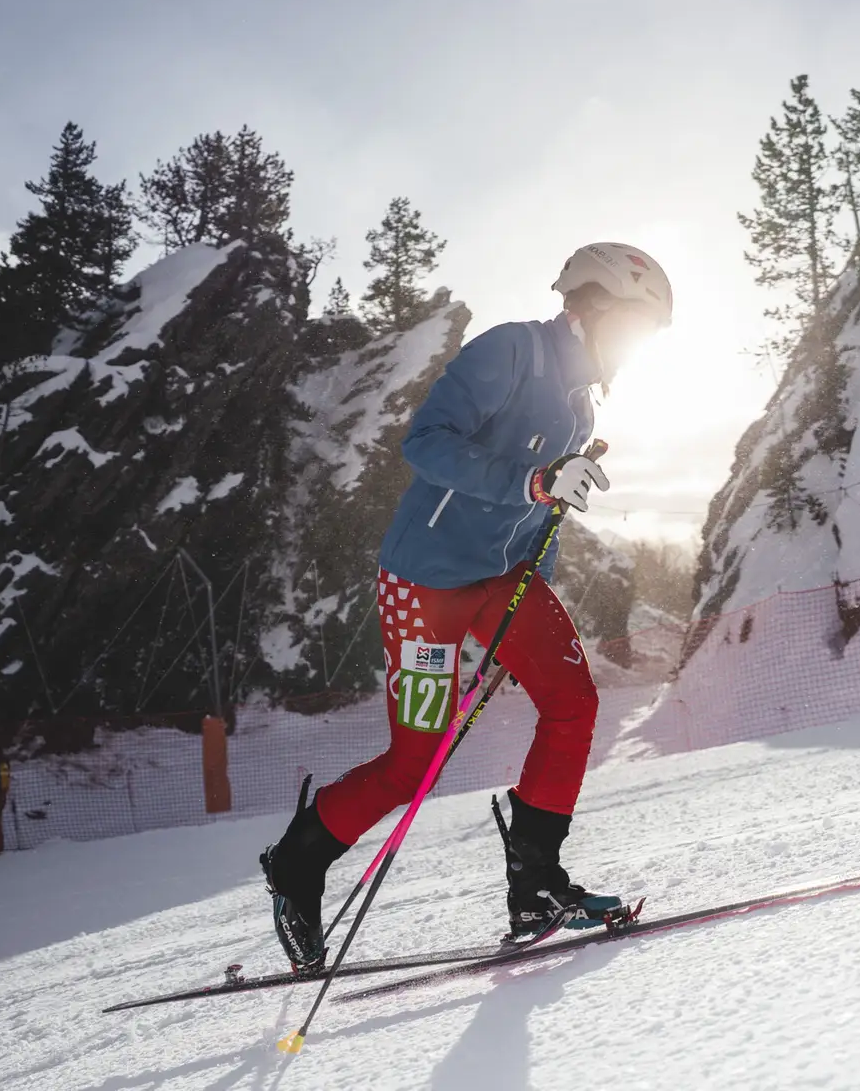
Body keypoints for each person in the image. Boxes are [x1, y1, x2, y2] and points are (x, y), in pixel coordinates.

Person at [261, 242, 672, 969]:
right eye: (634, 327)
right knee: (413, 763)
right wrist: (535, 480)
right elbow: (426, 444)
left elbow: (540, 514)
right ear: (593, 307)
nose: (636, 349)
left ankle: (536, 883)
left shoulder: (581, 404)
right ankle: (298, 863)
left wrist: (533, 580)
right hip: (425, 586)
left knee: (572, 703)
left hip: (505, 580)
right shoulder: (513, 351)